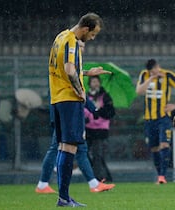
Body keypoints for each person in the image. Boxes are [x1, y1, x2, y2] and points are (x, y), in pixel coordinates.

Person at [36, 41, 115, 194]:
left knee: (73, 149)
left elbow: (71, 78)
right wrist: (94, 109)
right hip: (68, 112)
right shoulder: (69, 63)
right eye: (81, 46)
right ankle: (46, 184)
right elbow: (78, 90)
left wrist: (86, 73)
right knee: (63, 148)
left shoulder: (68, 65)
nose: (84, 49)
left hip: (63, 109)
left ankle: (91, 184)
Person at [49, 13, 111, 207]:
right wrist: (80, 90)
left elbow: (61, 68)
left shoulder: (60, 37)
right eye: (93, 34)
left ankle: (63, 197)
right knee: (70, 147)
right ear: (85, 29)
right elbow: (68, 69)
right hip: (70, 99)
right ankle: (64, 198)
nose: (92, 38)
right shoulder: (72, 41)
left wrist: (85, 72)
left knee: (63, 146)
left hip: (57, 98)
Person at [136, 59, 175, 184]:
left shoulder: (168, 75)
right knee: (154, 148)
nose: (154, 71)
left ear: (158, 67)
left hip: (163, 117)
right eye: (152, 70)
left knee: (164, 144)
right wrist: (151, 79)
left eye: (155, 69)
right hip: (149, 118)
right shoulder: (144, 75)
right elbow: (139, 91)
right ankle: (159, 174)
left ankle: (162, 176)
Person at [84, 76, 115, 182]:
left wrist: (100, 109)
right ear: (90, 84)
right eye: (93, 81)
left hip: (101, 130)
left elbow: (110, 113)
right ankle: (104, 176)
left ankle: (99, 178)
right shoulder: (86, 96)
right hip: (88, 129)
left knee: (98, 154)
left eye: (97, 81)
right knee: (85, 154)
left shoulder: (105, 96)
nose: (95, 84)